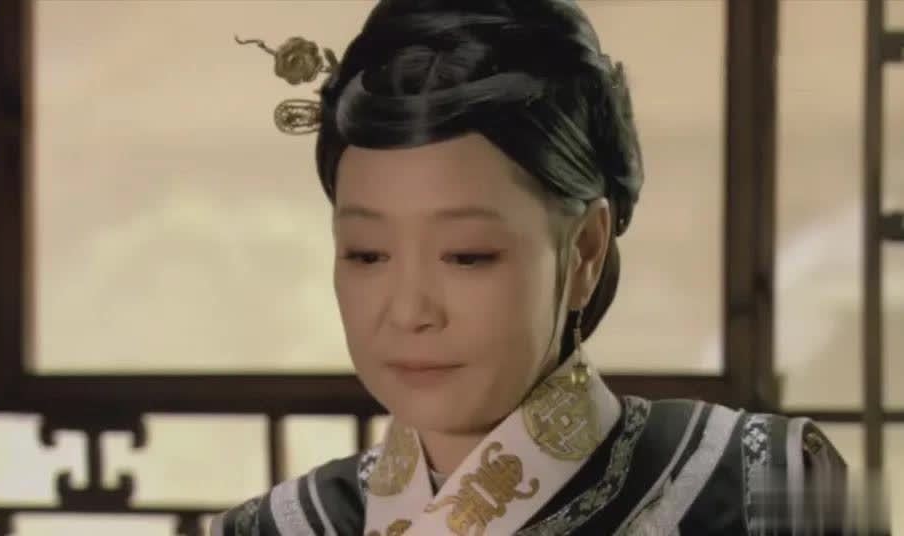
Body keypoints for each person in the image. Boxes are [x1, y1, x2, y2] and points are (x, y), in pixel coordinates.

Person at [213, 0, 847, 534]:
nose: (408, 311)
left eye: (467, 255)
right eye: (367, 254)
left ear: (585, 250)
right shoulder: (275, 528)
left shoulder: (767, 489)